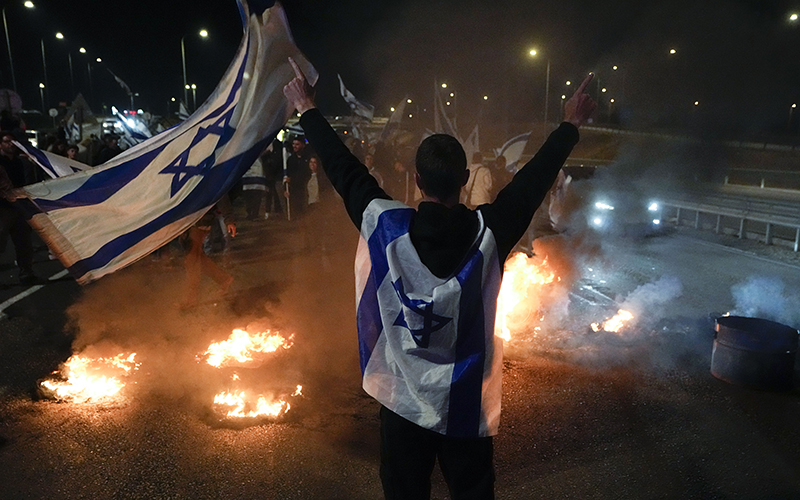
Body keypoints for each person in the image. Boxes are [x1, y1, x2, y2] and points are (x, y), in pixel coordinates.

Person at [284, 58, 596, 499]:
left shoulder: (386, 226)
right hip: (464, 406)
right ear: (466, 181)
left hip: (402, 404)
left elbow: (344, 170)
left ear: (416, 179)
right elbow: (531, 182)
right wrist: (570, 124)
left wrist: (307, 109)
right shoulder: (490, 233)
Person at [179, 194, 236, 310]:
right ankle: (223, 279)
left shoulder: (207, 176)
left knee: (192, 259)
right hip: (187, 220)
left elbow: (221, 193)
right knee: (197, 256)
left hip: (200, 219)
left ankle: (191, 298)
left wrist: (229, 219)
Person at [0, 131, 37, 284]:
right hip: (2, 209)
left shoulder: (19, 162)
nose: (11, 145)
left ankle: (26, 274)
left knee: (24, 243)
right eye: (7, 142)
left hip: (18, 207)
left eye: (13, 142)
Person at [284, 137, 312, 219]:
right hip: (295, 188)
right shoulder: (291, 160)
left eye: (297, 144)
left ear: (303, 145)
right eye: (293, 144)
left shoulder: (308, 158)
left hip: (305, 187)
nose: (294, 146)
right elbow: (288, 174)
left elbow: (307, 173)